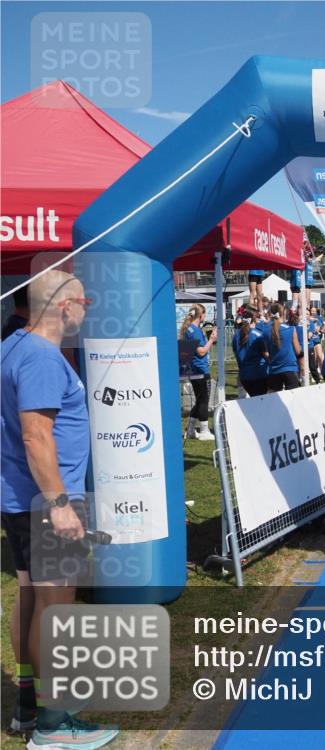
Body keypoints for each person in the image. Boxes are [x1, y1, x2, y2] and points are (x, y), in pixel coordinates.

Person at [1, 270, 119, 748]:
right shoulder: (42, 357)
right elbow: (36, 435)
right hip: (47, 501)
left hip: (21, 498)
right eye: (85, 302)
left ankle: (30, 705)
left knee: (33, 598)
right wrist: (60, 505)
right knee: (56, 609)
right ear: (65, 306)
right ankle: (53, 724)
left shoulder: (13, 346)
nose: (88, 312)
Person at [179, 303, 217, 440]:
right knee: (204, 400)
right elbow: (201, 352)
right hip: (199, 369)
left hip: (195, 369)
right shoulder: (194, 331)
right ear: (201, 315)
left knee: (200, 399)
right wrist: (211, 340)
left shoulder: (191, 329)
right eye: (204, 314)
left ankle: (190, 430)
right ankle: (204, 431)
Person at [264, 302, 304, 392]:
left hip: (274, 370)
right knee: (293, 398)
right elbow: (298, 351)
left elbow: (266, 352)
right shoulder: (290, 329)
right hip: (290, 368)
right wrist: (302, 366)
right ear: (283, 313)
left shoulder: (265, 331)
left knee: (274, 399)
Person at [233, 306, 269, 397]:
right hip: (258, 375)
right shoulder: (258, 335)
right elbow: (266, 355)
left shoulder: (236, 336)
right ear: (254, 319)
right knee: (260, 402)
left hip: (244, 376)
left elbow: (237, 355)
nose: (259, 319)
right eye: (258, 317)